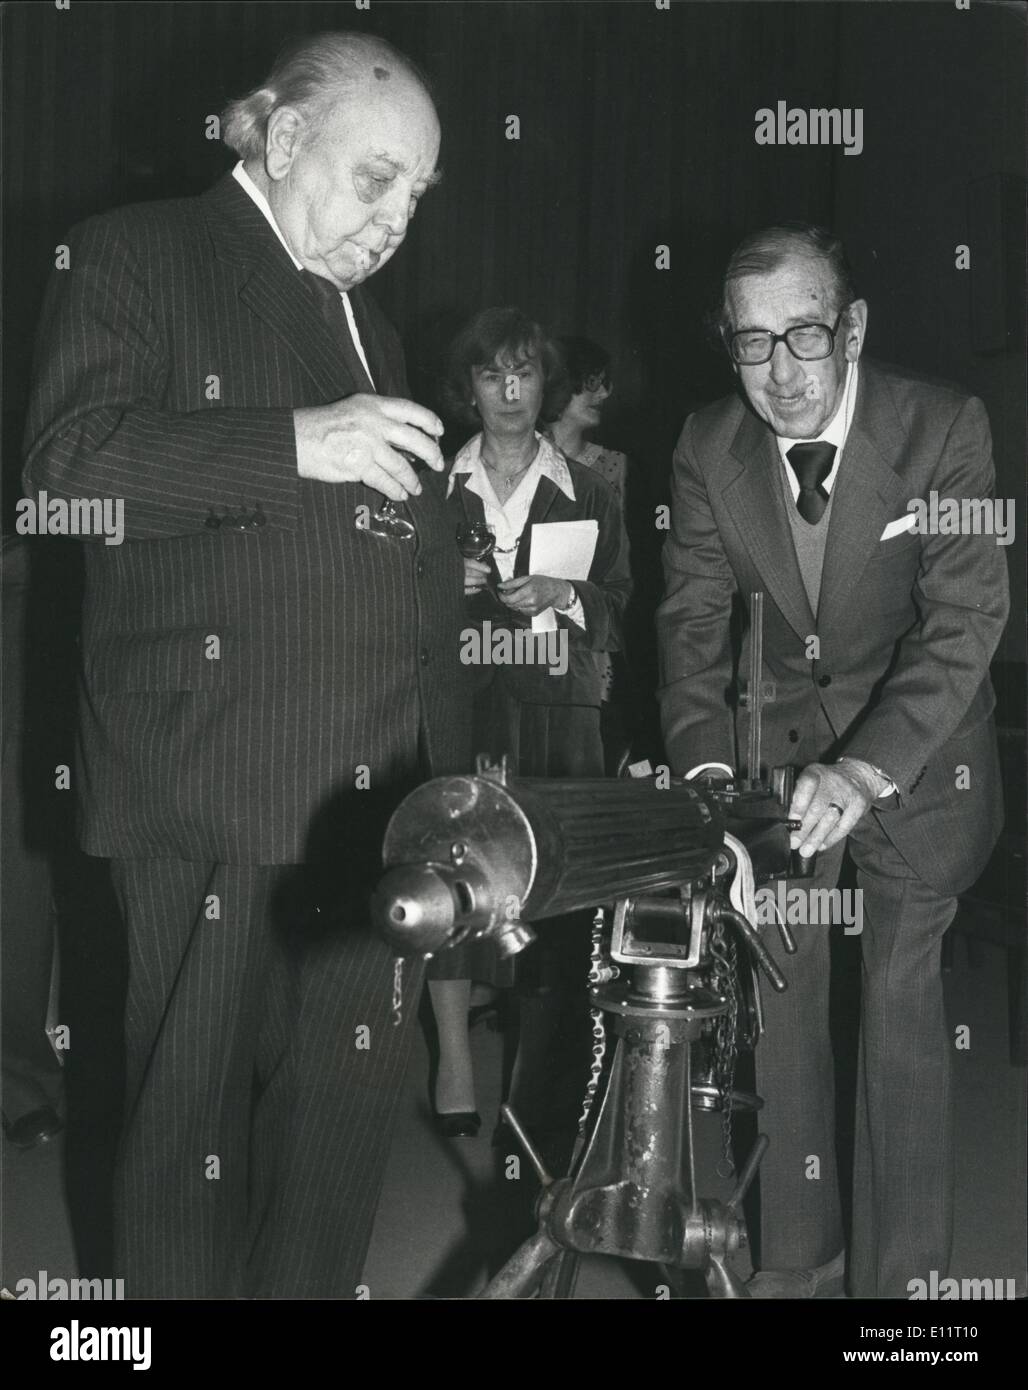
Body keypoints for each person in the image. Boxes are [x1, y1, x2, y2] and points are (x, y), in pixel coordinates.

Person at [22, 31, 468, 1298]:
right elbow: (67, 472)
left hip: (375, 802)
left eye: (416, 197)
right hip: (211, 774)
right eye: (374, 177)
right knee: (187, 1136)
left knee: (334, 1136)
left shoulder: (367, 320)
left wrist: (448, 788)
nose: (393, 221)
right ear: (279, 141)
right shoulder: (137, 253)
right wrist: (294, 444)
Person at [656, 223, 1008, 1298]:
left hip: (914, 767)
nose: (778, 373)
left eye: (803, 335)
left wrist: (862, 774)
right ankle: (795, 1266)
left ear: (850, 328)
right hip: (773, 773)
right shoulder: (705, 445)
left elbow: (963, 618)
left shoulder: (942, 426)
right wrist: (713, 788)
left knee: (899, 1012)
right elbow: (689, 629)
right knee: (784, 1010)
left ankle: (899, 1297)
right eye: (749, 343)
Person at [425, 307, 631, 1162]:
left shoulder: (592, 490)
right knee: (454, 878)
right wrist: (440, 583)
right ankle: (455, 1065)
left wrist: (566, 595)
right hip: (460, 702)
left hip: (557, 709)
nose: (510, 393)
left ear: (547, 386)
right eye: (490, 375)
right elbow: (376, 607)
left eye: (525, 374)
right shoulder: (428, 482)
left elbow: (619, 612)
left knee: (555, 891)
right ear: (468, 390)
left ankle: (538, 1078)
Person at [550, 336, 634, 766]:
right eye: (592, 383)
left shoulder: (614, 466)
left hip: (586, 640)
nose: (605, 394)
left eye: (606, 383)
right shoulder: (509, 455)